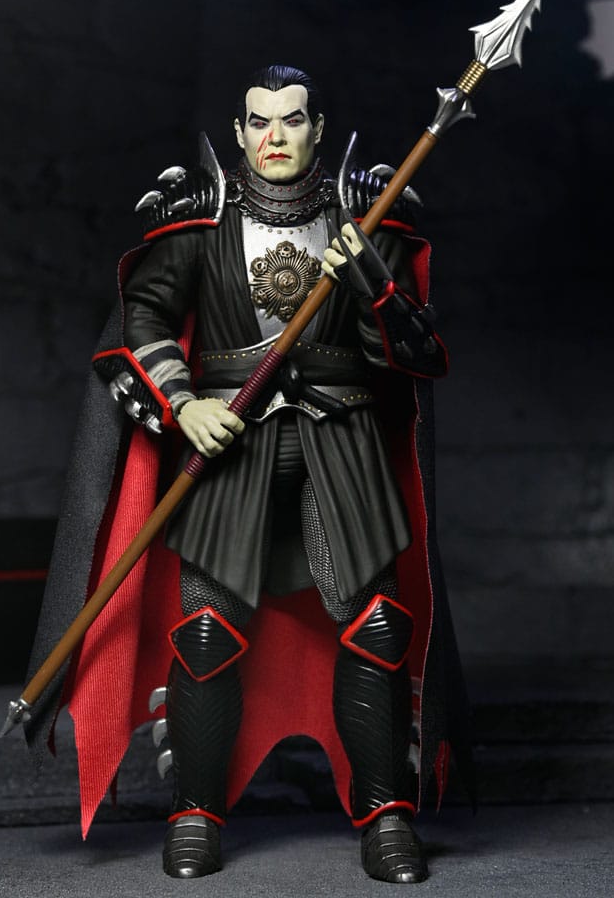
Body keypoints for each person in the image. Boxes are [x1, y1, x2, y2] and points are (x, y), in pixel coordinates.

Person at [26, 64, 474, 885]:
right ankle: (195, 812)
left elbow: (415, 355)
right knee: (205, 631)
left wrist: (371, 279)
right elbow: (143, 318)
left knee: (377, 625)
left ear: (317, 128)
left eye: (291, 120)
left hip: (342, 439)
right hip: (229, 441)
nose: (274, 136)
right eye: (259, 121)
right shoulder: (201, 214)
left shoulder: (366, 211)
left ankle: (386, 813)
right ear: (238, 132)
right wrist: (183, 403)